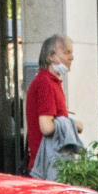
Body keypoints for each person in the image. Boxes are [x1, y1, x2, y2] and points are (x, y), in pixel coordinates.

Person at [25, 34, 74, 175]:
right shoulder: (46, 83)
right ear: (51, 57)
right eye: (66, 52)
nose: (71, 57)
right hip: (48, 167)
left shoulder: (50, 82)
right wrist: (73, 124)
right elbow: (46, 127)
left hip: (50, 164)